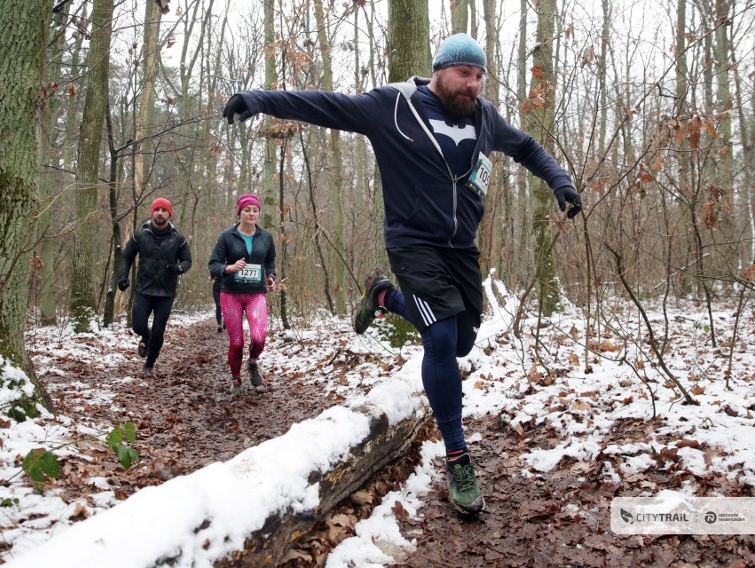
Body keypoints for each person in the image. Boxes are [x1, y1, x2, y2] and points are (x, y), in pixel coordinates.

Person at [222, 33, 581, 515]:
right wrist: (260, 100)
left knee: (461, 342)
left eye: (479, 77)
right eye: (464, 74)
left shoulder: (486, 118)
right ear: (440, 69)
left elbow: (528, 147)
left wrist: (560, 181)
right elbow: (326, 105)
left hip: (460, 248)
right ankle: (458, 456)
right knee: (439, 339)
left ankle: (385, 298)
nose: (473, 85)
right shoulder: (395, 106)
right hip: (412, 243)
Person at [208, 193, 278, 396]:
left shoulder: (266, 237)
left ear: (259, 213)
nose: (251, 214)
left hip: (256, 293)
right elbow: (213, 265)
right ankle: (236, 378)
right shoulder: (227, 237)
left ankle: (253, 362)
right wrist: (229, 268)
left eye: (255, 210)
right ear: (240, 212)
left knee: (259, 336)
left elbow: (270, 261)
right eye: (247, 210)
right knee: (237, 341)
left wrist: (271, 276)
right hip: (231, 294)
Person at [118, 197, 192, 378]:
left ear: (169, 214)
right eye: (157, 210)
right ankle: (146, 336)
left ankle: (149, 364)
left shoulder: (178, 238)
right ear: (152, 213)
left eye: (164, 210)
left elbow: (187, 260)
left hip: (166, 292)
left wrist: (179, 268)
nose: (160, 213)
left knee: (159, 331)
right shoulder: (140, 235)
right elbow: (127, 256)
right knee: (138, 326)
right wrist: (122, 276)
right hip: (144, 289)